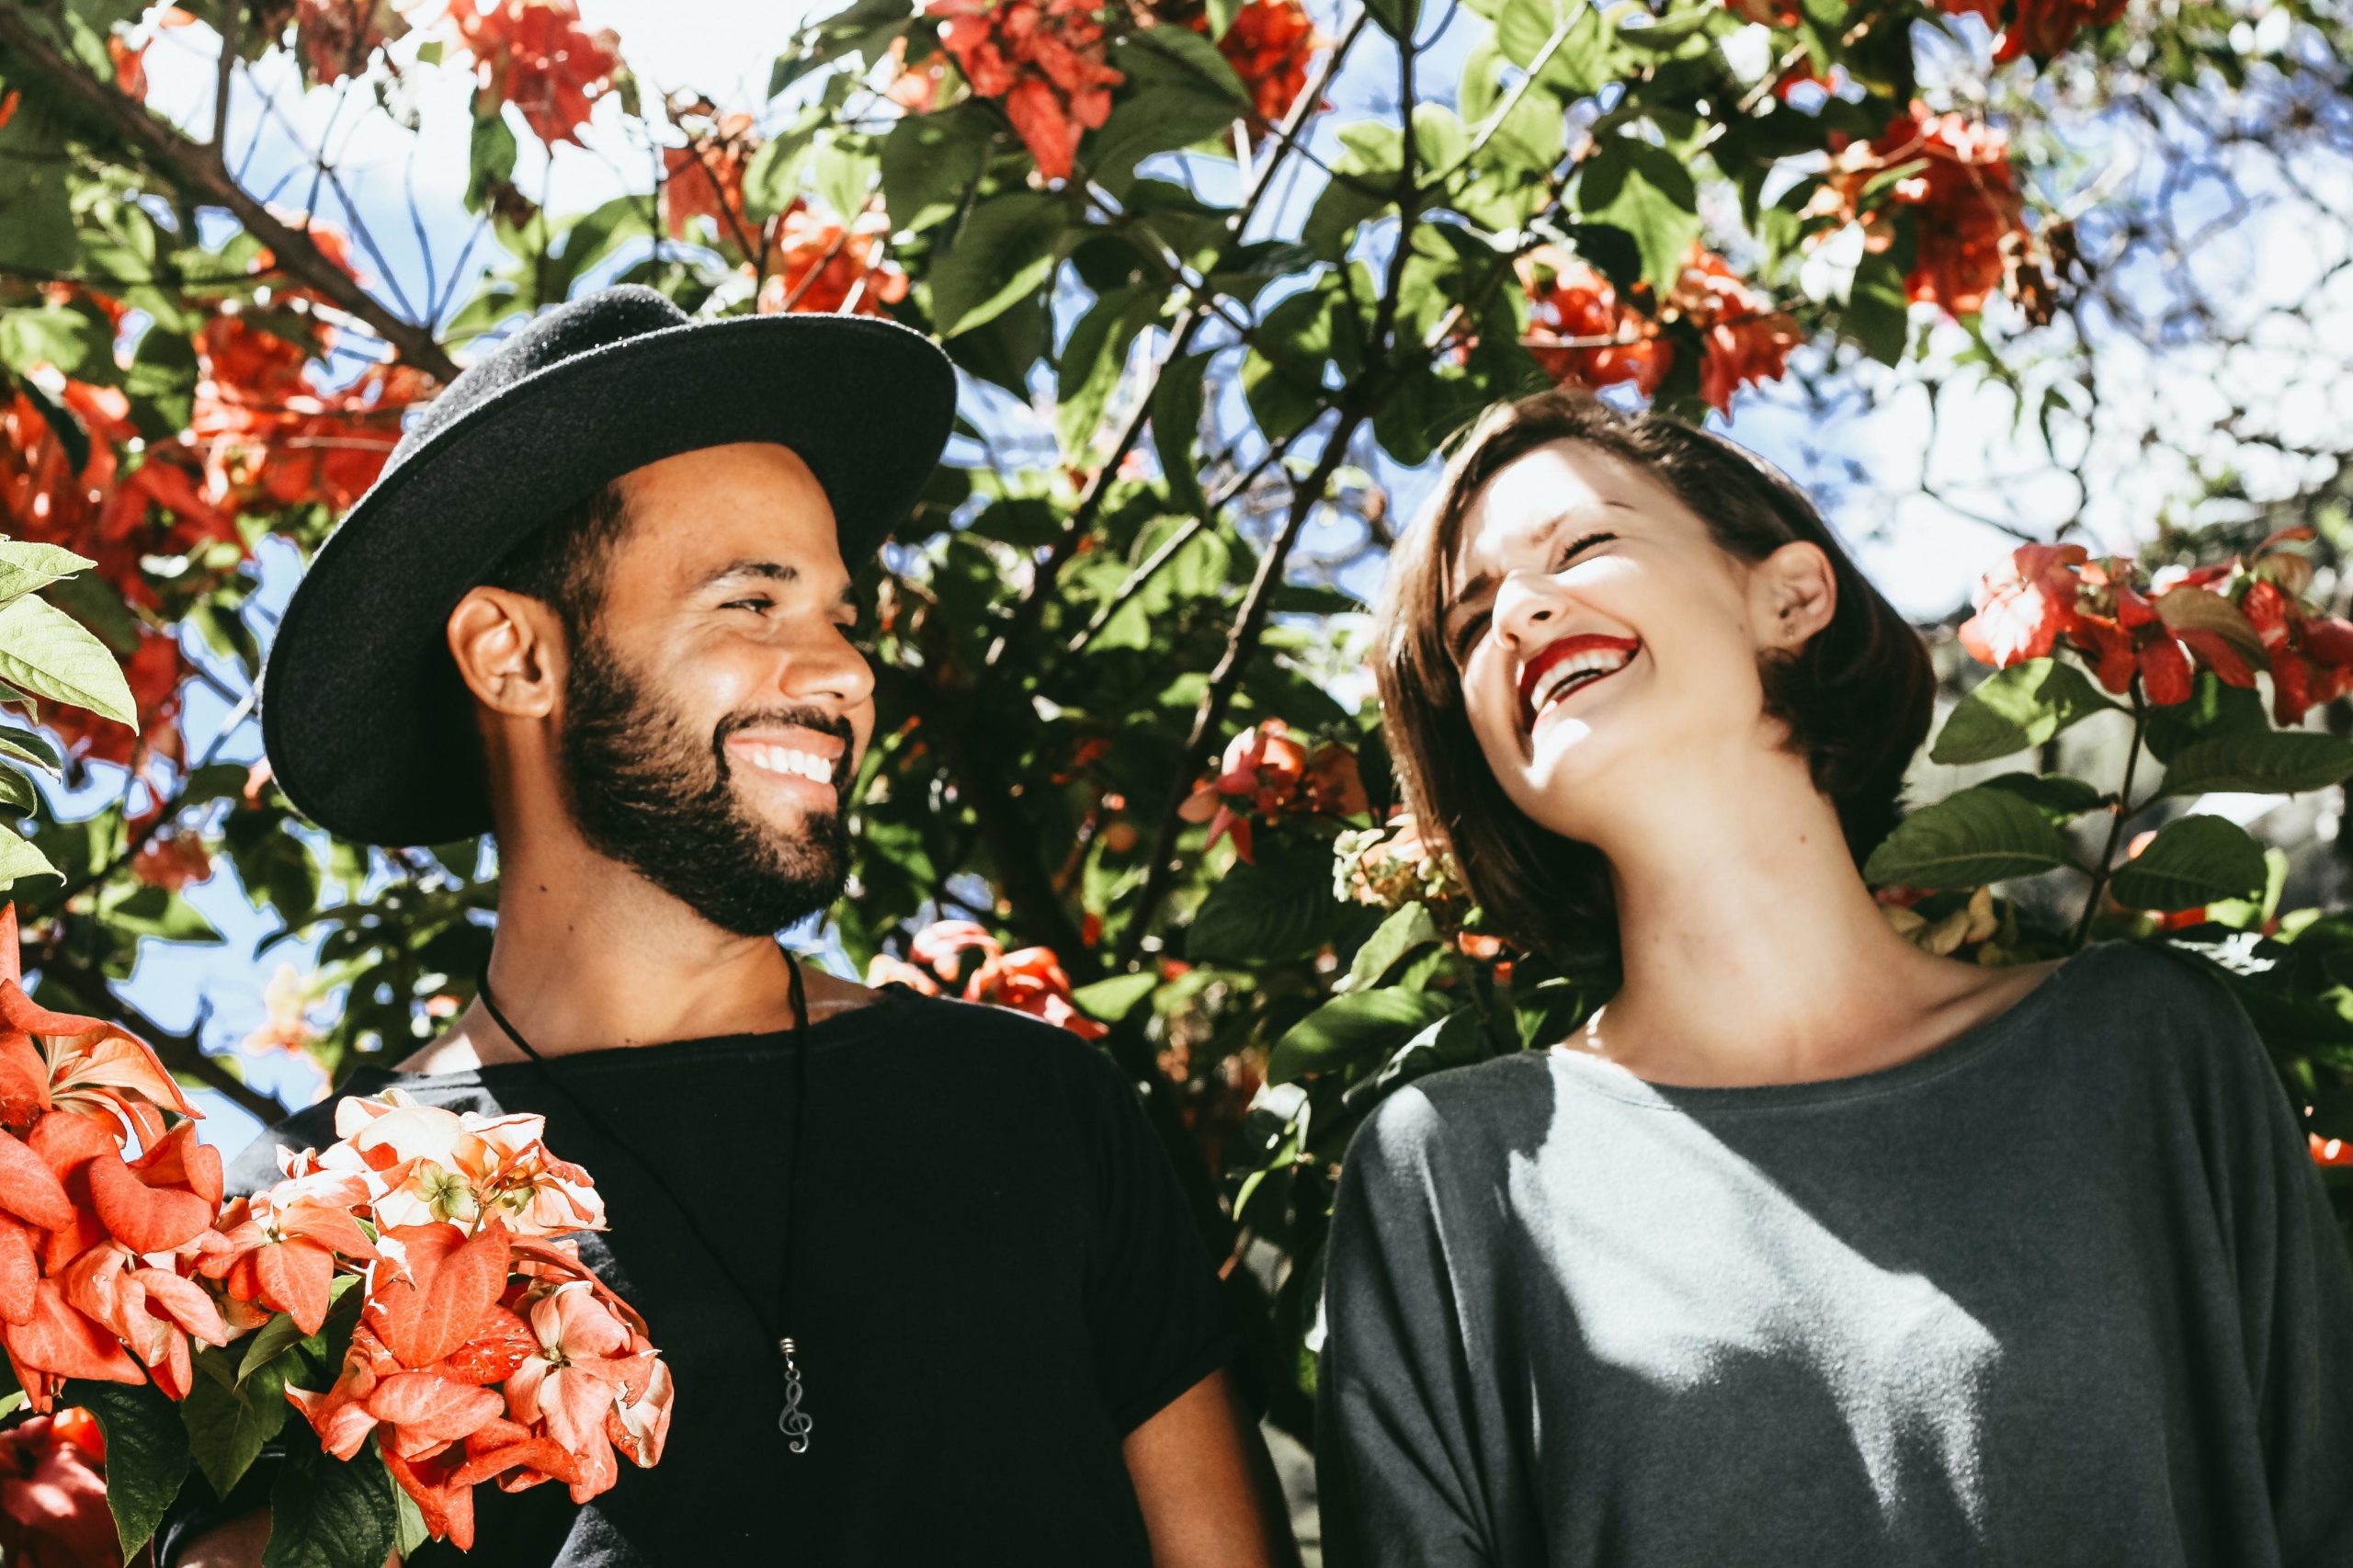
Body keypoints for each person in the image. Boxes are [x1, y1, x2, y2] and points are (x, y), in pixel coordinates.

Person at [161, 286, 1299, 1566]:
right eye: (753, 604)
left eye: (841, 617)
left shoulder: (1040, 1106)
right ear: (512, 657)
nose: (846, 671)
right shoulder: (312, 1226)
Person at [1313, 384, 2353, 1566]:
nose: (1518, 614)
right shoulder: (1455, 1174)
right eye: (1467, 624)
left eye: (1583, 544)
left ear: (1790, 596)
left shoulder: (2146, 1050)